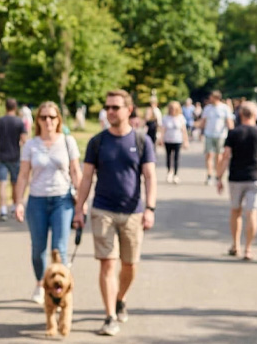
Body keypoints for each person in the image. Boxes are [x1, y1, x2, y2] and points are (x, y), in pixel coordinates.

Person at [72, 89, 157, 337]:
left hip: (133, 213)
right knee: (107, 264)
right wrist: (79, 209)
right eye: (107, 107)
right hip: (102, 211)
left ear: (128, 110)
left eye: (115, 107)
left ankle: (121, 298)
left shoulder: (142, 141)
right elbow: (86, 178)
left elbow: (150, 177)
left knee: (129, 266)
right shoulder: (97, 142)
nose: (109, 111)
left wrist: (150, 208)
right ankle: (109, 316)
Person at [12, 101, 80, 305]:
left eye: (52, 117)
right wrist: (18, 202)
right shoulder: (31, 145)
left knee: (60, 248)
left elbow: (76, 172)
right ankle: (41, 284)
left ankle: (61, 292)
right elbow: (23, 175)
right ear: (37, 121)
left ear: (58, 119)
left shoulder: (68, 141)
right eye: (43, 117)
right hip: (37, 201)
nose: (48, 121)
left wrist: (82, 202)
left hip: (63, 200)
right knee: (38, 249)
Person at [216, 102, 257, 261]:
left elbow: (226, 155)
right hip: (255, 177)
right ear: (255, 115)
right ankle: (248, 248)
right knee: (252, 214)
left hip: (236, 178)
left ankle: (235, 245)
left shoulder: (234, 133)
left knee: (235, 211)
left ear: (241, 115)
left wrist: (218, 176)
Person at [0, 98, 29, 221]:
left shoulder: (0, 121)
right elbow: (24, 139)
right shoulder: (19, 122)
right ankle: (15, 206)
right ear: (15, 107)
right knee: (15, 183)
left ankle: (3, 210)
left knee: (2, 184)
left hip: (2, 155)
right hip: (15, 156)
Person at [196, 90, 235, 186]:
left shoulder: (224, 108)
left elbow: (229, 122)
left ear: (216, 98)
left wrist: (233, 134)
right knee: (209, 155)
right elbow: (203, 121)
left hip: (221, 135)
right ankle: (209, 175)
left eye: (211, 97)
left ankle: (218, 175)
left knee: (219, 156)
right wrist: (200, 131)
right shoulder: (208, 108)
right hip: (209, 134)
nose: (210, 99)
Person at [160, 101, 189, 184]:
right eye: (171, 108)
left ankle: (176, 175)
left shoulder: (180, 117)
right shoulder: (166, 118)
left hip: (177, 140)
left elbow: (184, 130)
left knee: (176, 158)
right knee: (168, 157)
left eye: (174, 109)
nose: (173, 110)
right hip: (168, 140)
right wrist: (161, 139)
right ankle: (169, 172)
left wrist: (185, 141)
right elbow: (163, 129)